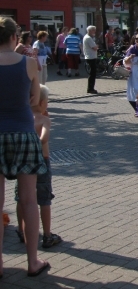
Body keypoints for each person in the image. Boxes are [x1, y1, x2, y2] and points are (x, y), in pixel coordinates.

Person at [0, 16, 49, 277]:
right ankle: (32, 261)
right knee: (29, 201)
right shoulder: (29, 64)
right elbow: (34, 99)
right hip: (22, 131)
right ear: (13, 37)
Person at [15, 84, 62, 249]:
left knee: (22, 197)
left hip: (23, 161)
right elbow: (44, 139)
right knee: (44, 199)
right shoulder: (44, 120)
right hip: (42, 160)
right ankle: (47, 235)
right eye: (47, 101)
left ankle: (21, 230)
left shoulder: (22, 118)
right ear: (42, 103)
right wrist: (45, 124)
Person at [83, 26, 99, 94]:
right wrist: (97, 46)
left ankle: (91, 88)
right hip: (91, 57)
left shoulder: (88, 37)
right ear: (90, 31)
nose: (94, 32)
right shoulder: (88, 38)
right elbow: (94, 47)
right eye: (93, 30)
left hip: (90, 57)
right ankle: (90, 88)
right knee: (92, 74)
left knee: (92, 73)